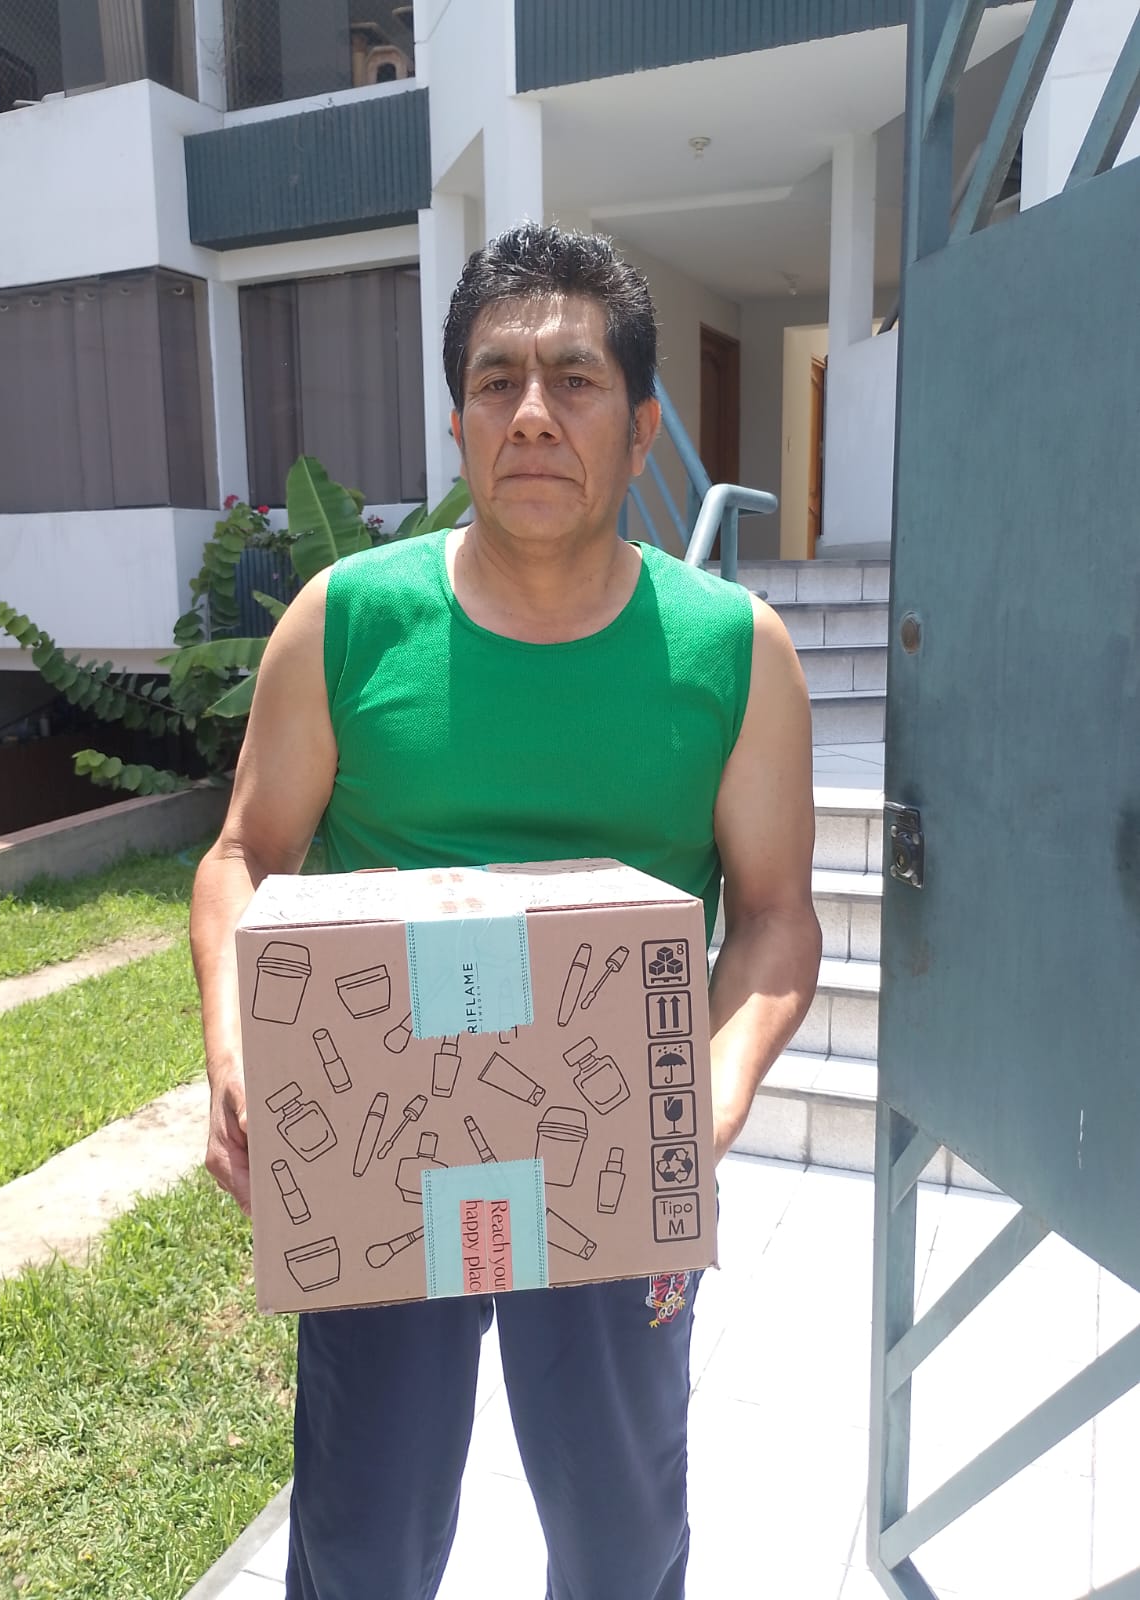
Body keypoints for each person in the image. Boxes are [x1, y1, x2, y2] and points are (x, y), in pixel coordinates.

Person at [191, 223, 821, 1600]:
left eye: (575, 379)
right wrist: (240, 1056)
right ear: (459, 421)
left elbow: (777, 918)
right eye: (496, 381)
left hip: (612, 1151)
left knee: (619, 1543)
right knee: (363, 1541)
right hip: (382, 1145)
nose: (532, 413)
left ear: (641, 427)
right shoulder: (347, 622)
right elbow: (246, 854)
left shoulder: (734, 651)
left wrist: (697, 1107)